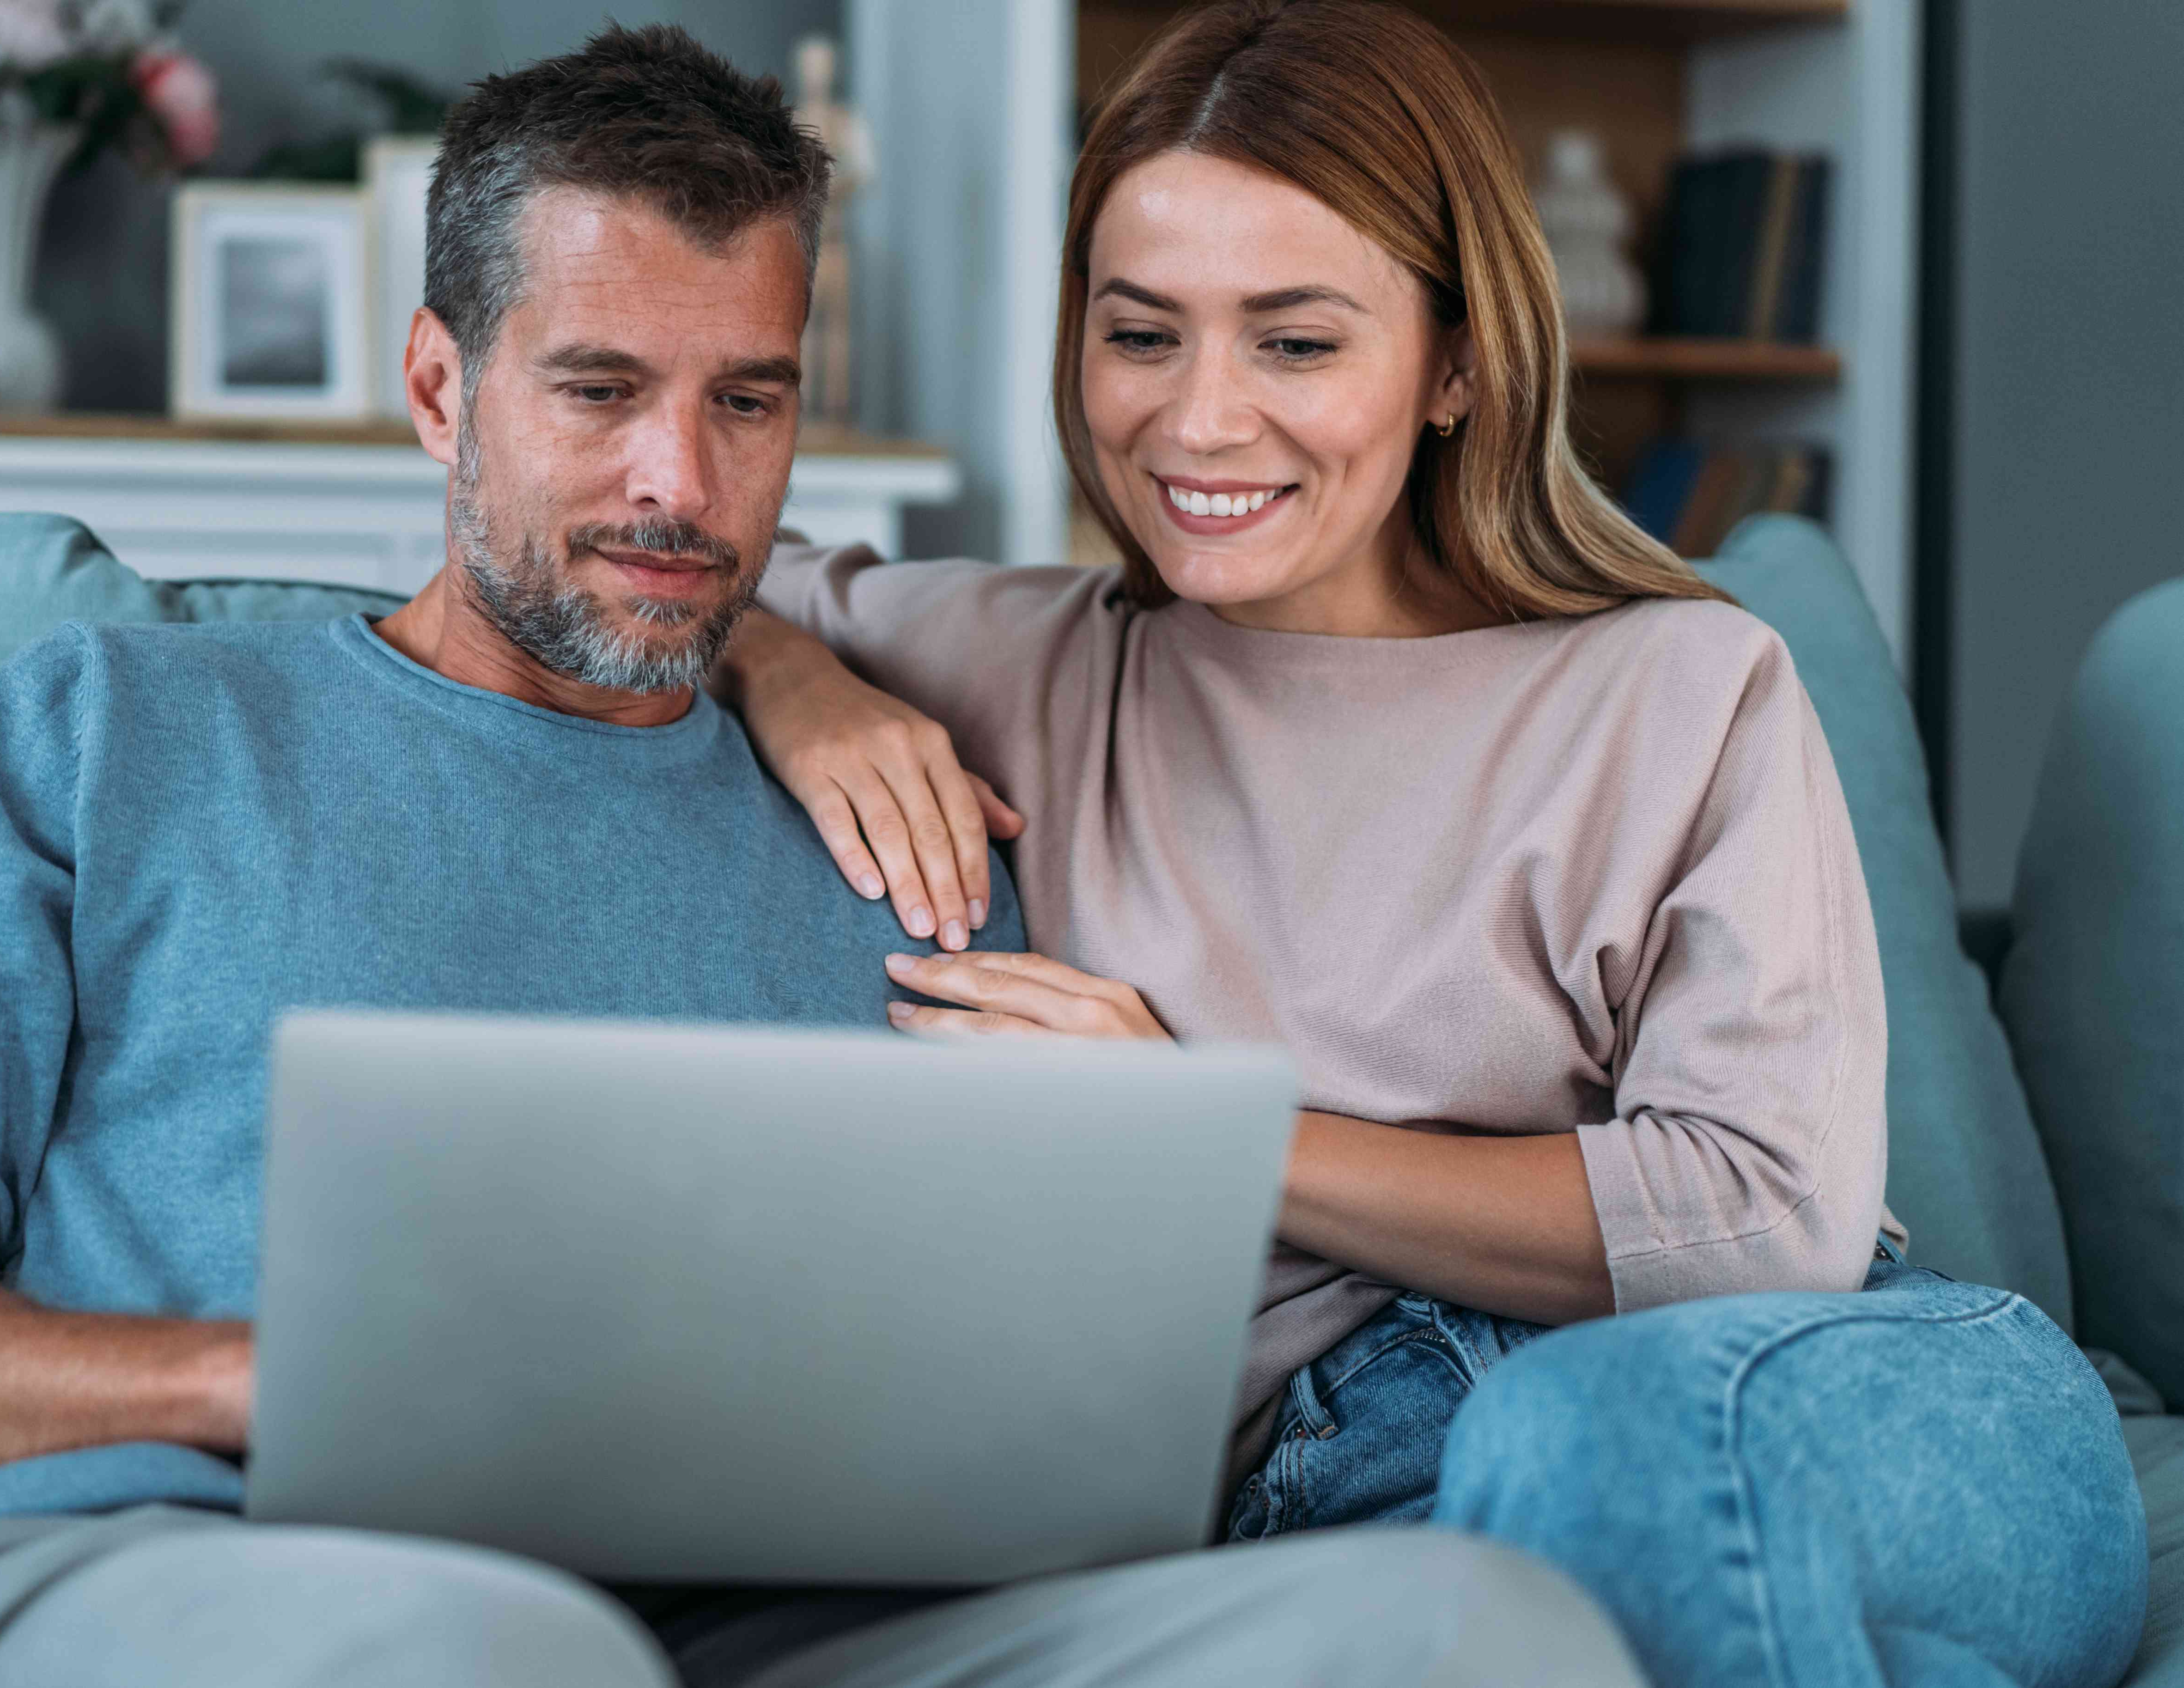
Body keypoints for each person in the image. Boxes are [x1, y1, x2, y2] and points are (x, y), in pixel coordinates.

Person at [0, 24, 1644, 1688]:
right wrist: (263, 1374)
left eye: (745, 401)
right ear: (440, 387)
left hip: (788, 1638)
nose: (678, 489)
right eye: (598, 392)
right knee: (490, 1651)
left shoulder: (909, 825)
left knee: (1471, 1624)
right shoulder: (121, 737)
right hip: (178, 1576)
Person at [718, 3, 2149, 1685]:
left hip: (1814, 1386)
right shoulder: (1022, 659)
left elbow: (1761, 1220)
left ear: (1456, 363)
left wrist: (1197, 1128)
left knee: (1592, 1467)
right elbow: (682, 577)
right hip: (1363, 1490)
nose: (1198, 422)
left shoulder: (1678, 685)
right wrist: (794, 676)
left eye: (1295, 343)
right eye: (1141, 333)